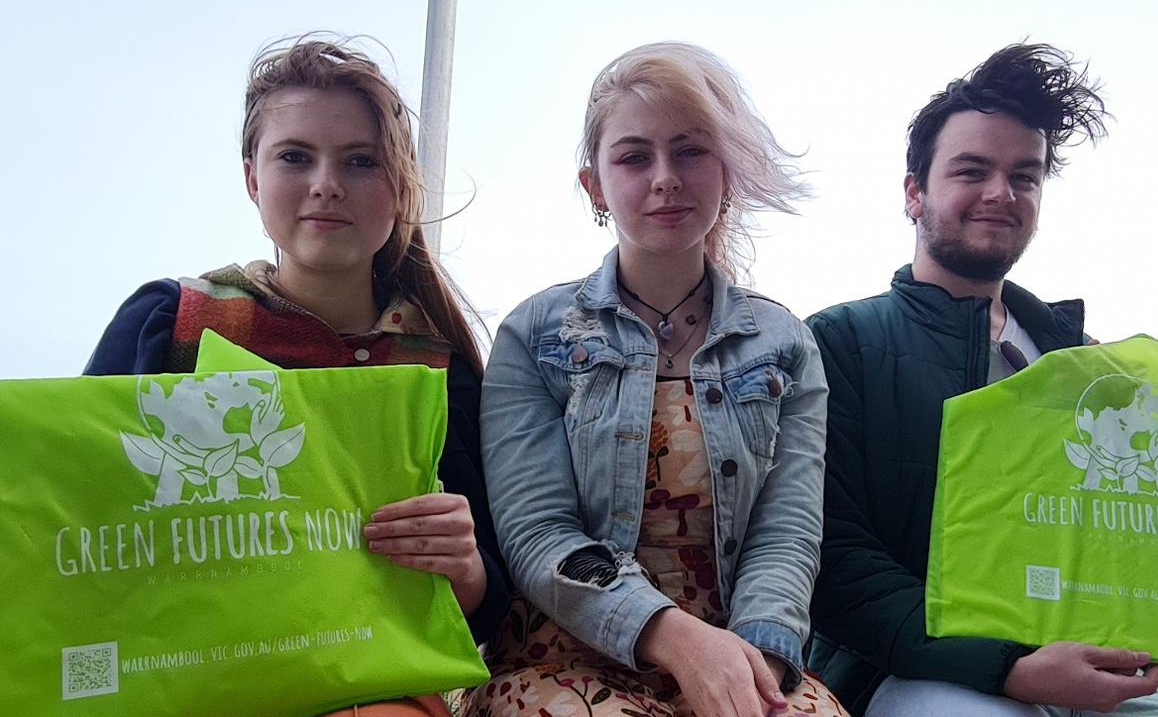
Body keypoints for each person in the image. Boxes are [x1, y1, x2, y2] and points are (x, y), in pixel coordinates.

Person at [85, 37, 508, 717]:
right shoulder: (172, 324)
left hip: (375, 688)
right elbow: (78, 517)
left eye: (360, 161)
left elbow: (485, 613)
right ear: (252, 176)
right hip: (183, 677)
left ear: (399, 187)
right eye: (295, 156)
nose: (326, 183)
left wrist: (466, 569)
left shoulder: (439, 365)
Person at [805, 43, 1158, 716]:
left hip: (1099, 671)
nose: (1001, 194)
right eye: (971, 170)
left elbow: (1139, 535)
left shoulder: (1091, 368)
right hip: (912, 673)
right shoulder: (836, 344)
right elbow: (832, 559)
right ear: (913, 192)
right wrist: (1010, 668)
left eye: (1025, 175)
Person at [463, 42, 845, 717]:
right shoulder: (536, 335)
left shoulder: (787, 344)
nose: (664, 177)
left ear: (727, 169)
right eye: (634, 156)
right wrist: (673, 638)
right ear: (595, 186)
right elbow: (537, 531)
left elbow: (786, 531)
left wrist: (758, 663)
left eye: (691, 150)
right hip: (566, 653)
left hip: (742, 650)